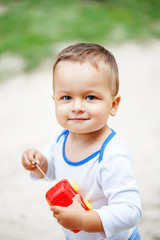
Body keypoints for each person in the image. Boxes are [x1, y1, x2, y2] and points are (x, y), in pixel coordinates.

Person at [22, 43, 142, 240]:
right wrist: (38, 163)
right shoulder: (61, 137)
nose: (77, 107)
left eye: (90, 97)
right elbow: (51, 170)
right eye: (67, 97)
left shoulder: (112, 154)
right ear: (55, 100)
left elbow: (130, 210)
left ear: (113, 104)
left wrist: (84, 221)